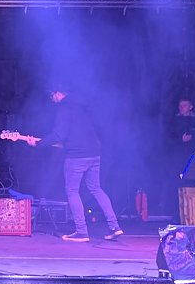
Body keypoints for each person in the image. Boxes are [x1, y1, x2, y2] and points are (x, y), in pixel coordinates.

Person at [26, 84, 123, 242]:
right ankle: (115, 227)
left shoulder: (64, 108)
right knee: (96, 188)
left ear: (57, 93)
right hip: (95, 153)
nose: (53, 100)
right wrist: (45, 142)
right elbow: (74, 135)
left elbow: (59, 134)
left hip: (77, 156)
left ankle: (81, 231)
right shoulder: (83, 106)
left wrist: (38, 144)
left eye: (52, 97)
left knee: (72, 191)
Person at [161, 96, 195, 217]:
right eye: (180, 106)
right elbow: (167, 139)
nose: (182, 108)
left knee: (194, 185)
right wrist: (180, 140)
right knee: (176, 185)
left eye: (185, 106)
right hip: (177, 158)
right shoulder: (174, 121)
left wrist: (193, 138)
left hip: (193, 158)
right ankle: (177, 215)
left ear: (191, 107)